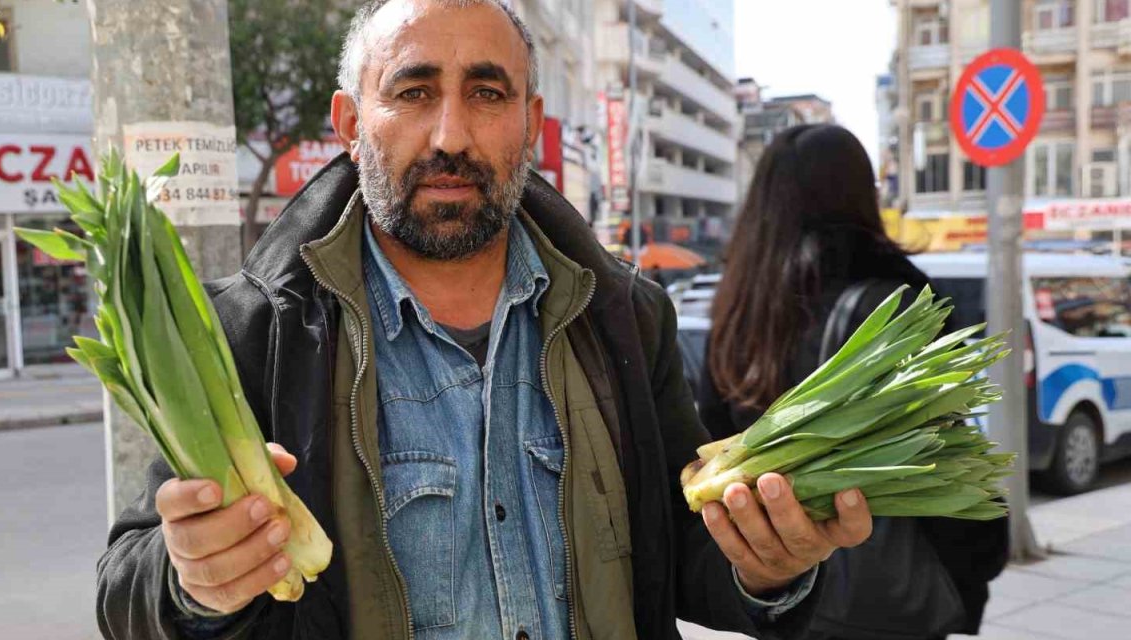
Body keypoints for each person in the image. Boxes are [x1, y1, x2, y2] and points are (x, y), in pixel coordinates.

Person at [96, 2, 877, 639]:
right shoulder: (257, 331)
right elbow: (123, 586)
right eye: (412, 91)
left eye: (487, 92)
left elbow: (682, 561)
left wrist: (768, 566)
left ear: (529, 120)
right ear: (348, 121)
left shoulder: (627, 318)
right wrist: (191, 581)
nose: (450, 137)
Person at [697, 124, 1010, 640]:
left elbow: (710, 438)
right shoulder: (899, 304)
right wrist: (979, 559)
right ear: (861, 195)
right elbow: (943, 451)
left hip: (785, 593)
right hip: (884, 601)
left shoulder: (740, 305)